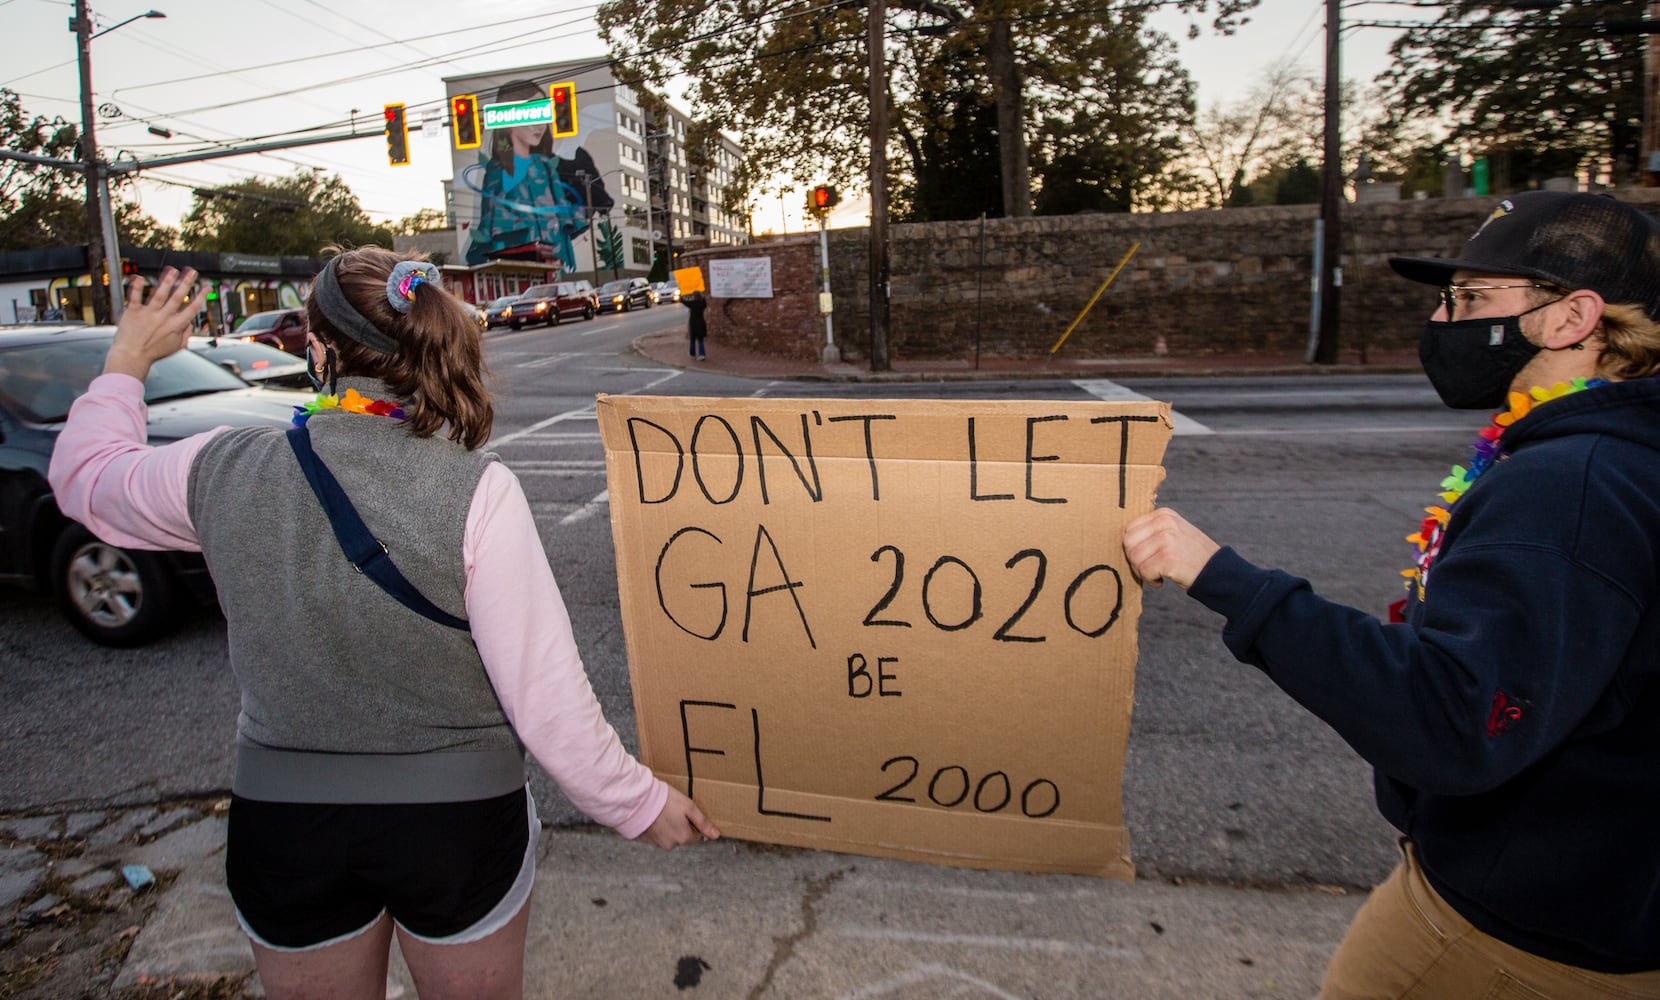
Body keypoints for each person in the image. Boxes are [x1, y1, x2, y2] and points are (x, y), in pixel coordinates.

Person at [49, 247, 719, 999]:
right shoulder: (477, 488)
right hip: (458, 825)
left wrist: (128, 359)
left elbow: (84, 478)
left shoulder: (219, 467)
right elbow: (547, 702)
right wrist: (637, 804)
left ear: (322, 349)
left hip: (288, 824)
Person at [1124, 191, 1660, 998]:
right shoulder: (1612, 455)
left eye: (1474, 298)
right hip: (1601, 903)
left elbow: (1451, 715)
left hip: (1511, 931)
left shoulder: (1567, 486)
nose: (1445, 320)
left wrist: (1223, 576)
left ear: (1570, 318)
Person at [462, 78, 611, 268]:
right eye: (531, 117)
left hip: (555, 254)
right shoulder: (496, 171)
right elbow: (491, 225)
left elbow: (565, 215)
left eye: (541, 116)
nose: (539, 126)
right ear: (509, 124)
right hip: (520, 260)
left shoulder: (545, 165)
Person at [682, 289, 707, 361]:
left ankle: (692, 353)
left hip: (693, 322)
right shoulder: (702, 303)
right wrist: (703, 296)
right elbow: (705, 302)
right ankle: (701, 354)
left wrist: (683, 295)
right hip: (701, 322)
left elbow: (684, 301)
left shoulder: (692, 303)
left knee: (692, 339)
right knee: (700, 339)